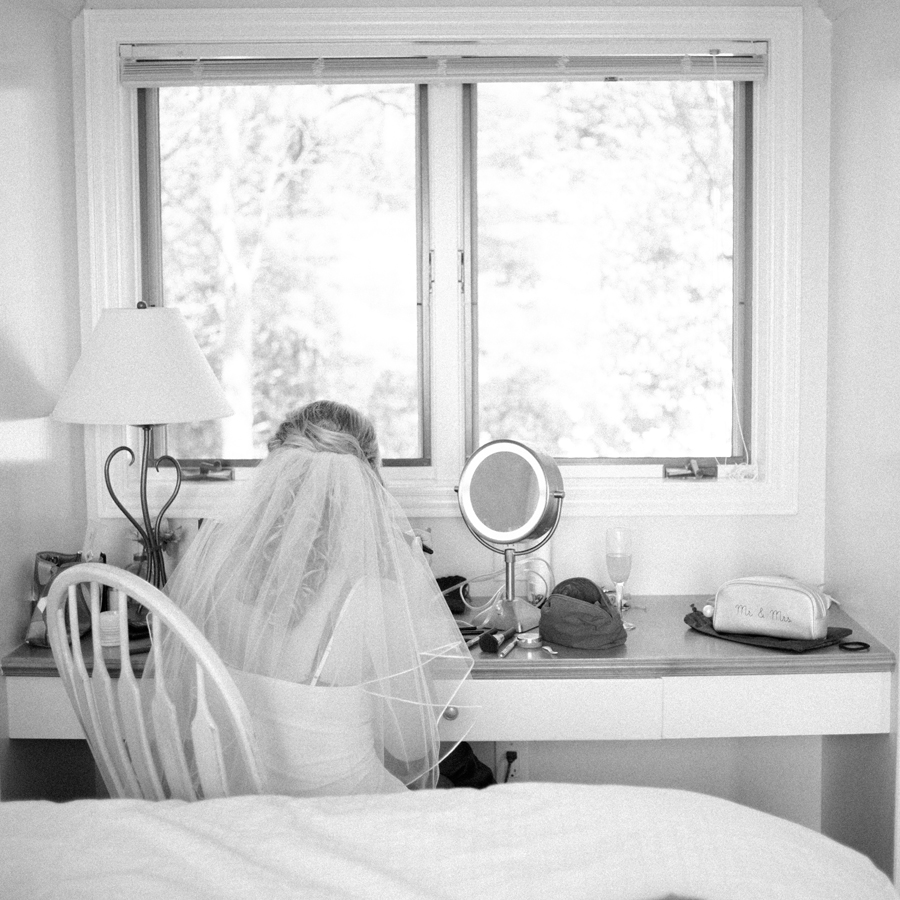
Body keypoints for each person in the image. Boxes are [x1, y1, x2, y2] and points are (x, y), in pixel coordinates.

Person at [146, 400, 472, 796]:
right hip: (344, 813)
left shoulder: (214, 569)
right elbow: (412, 745)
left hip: (245, 810)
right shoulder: (372, 596)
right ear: (367, 479)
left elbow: (184, 706)